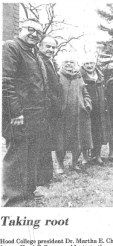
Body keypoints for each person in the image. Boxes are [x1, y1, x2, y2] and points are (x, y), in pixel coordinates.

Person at [2, 18, 51, 206]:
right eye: (30, 29)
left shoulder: (33, 51)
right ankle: (13, 199)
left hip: (36, 115)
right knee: (16, 156)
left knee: (31, 154)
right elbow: (6, 82)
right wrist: (15, 112)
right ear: (21, 29)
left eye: (38, 32)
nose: (34, 34)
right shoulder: (11, 47)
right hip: (20, 115)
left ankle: (28, 193)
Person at [53, 55, 93, 173]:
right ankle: (60, 165)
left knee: (79, 139)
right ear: (62, 63)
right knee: (61, 141)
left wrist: (87, 103)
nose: (69, 64)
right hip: (62, 114)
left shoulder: (78, 76)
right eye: (66, 61)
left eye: (72, 62)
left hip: (79, 114)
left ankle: (74, 163)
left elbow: (84, 92)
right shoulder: (57, 76)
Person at [38, 35, 63, 184]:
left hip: (52, 109)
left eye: (53, 47)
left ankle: (47, 176)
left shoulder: (50, 62)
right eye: (48, 46)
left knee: (48, 143)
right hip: (45, 108)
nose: (51, 49)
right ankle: (42, 178)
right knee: (42, 144)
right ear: (40, 46)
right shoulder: (39, 61)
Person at [80, 56, 112, 165]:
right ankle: (85, 157)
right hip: (86, 108)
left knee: (99, 132)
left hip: (100, 109)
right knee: (85, 132)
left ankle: (97, 155)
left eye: (91, 63)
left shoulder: (100, 75)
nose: (89, 66)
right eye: (87, 63)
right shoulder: (80, 76)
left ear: (95, 64)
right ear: (83, 65)